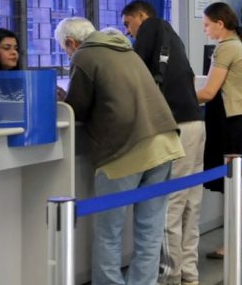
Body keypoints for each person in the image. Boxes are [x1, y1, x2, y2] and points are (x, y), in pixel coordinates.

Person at [55, 18, 184, 285]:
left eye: (64, 49)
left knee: (109, 232)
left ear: (70, 42)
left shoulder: (84, 56)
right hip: (163, 143)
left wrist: (61, 100)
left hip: (124, 150)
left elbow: (77, 109)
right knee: (149, 231)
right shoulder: (126, 51)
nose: (67, 54)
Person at [121, 0, 206, 285]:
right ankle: (189, 273)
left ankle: (170, 275)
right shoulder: (172, 36)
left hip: (176, 126)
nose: (129, 32)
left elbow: (135, 71)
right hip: (195, 123)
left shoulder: (151, 26)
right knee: (191, 203)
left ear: (141, 15)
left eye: (128, 24)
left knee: (171, 204)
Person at [197, 2, 242, 259]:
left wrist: (177, 99)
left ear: (220, 24)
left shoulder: (226, 48)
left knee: (234, 186)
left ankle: (231, 244)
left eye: (207, 25)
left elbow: (208, 92)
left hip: (236, 123)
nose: (205, 30)